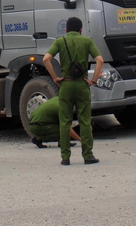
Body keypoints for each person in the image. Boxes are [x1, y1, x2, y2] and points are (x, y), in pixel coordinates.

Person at [43, 17, 104, 166]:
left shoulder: (59, 41)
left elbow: (46, 59)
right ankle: (88, 155)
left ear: (66, 29)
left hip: (66, 85)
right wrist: (94, 80)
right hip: (83, 85)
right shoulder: (87, 41)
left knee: (65, 122)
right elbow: (100, 60)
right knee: (85, 121)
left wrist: (55, 78)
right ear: (81, 29)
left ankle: (65, 157)